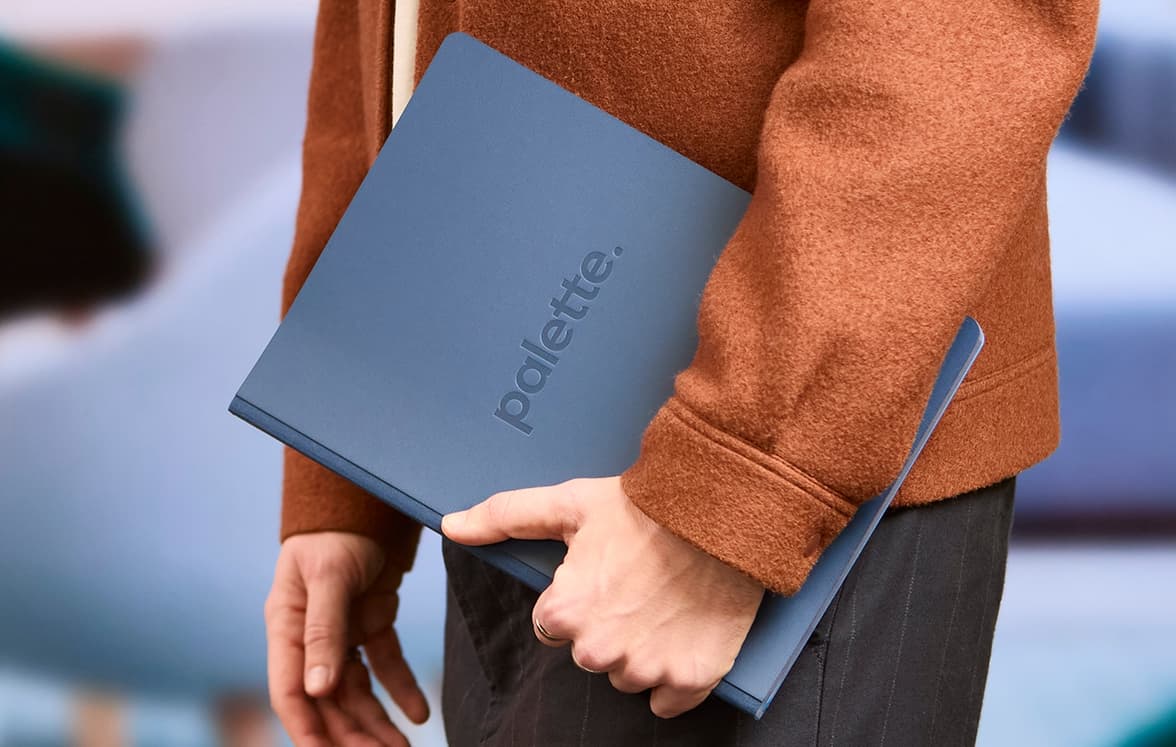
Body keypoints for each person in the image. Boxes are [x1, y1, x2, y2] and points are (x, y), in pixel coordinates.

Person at [263, 1, 1098, 744]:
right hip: (505, 432)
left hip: (778, 479)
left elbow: (953, 36)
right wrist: (344, 447)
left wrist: (734, 488)